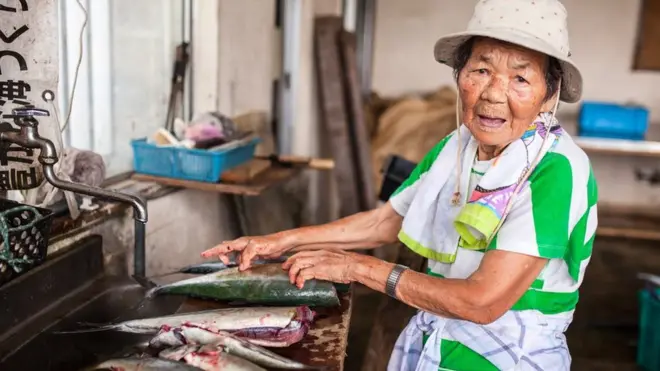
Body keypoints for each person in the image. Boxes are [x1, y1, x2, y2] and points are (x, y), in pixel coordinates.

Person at [202, 0, 597, 369]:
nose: (494, 93)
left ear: (549, 95)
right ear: (459, 75)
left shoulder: (556, 169)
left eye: (521, 78)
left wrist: (358, 267)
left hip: (505, 357)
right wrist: (280, 241)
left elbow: (482, 302)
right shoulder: (456, 147)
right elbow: (386, 221)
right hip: (437, 341)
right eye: (481, 70)